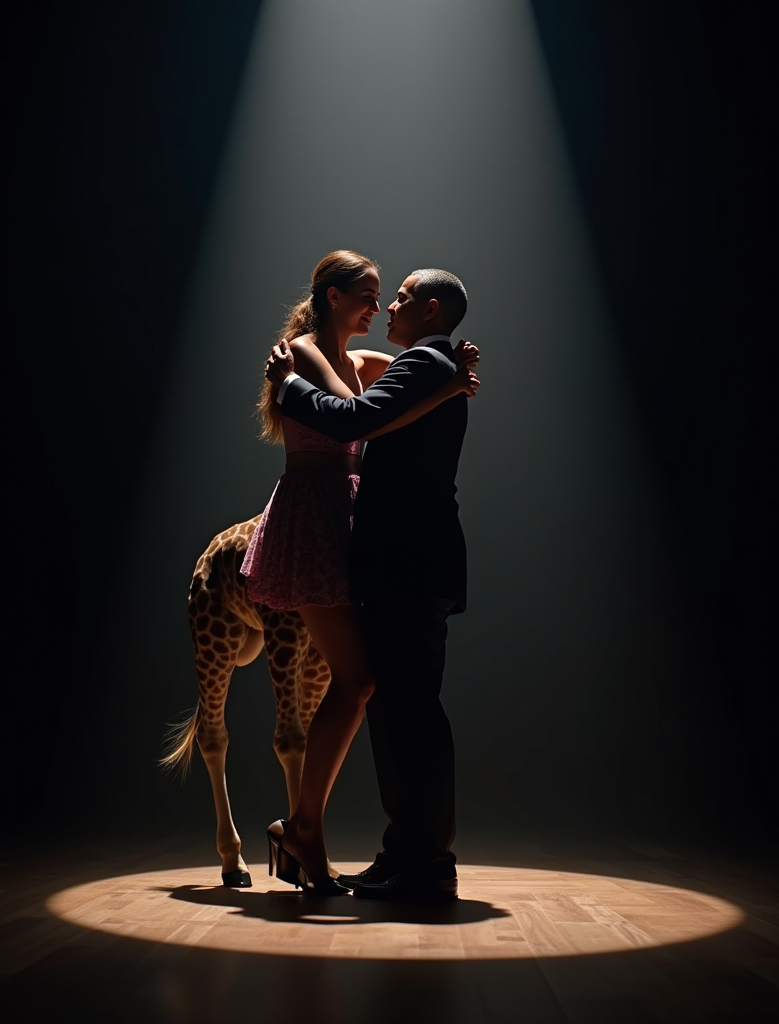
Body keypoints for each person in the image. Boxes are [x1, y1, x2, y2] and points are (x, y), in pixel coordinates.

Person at [244, 251, 478, 896]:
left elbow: (362, 414)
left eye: (394, 296)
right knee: (383, 696)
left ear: (429, 310)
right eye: (372, 295)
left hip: (393, 551)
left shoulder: (414, 363)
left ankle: (400, 853)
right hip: (330, 524)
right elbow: (367, 413)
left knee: (389, 698)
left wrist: (447, 378)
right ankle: (377, 847)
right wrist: (448, 380)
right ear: (331, 295)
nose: (383, 307)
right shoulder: (316, 352)